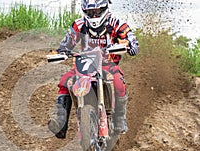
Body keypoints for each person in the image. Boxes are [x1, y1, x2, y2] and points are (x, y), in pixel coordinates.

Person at [48, 0, 139, 139]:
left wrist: (128, 44)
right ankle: (61, 124)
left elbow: (133, 42)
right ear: (85, 11)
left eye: (97, 12)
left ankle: (120, 118)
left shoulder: (117, 24)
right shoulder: (79, 25)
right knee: (65, 81)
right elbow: (66, 45)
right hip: (85, 65)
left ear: (104, 9)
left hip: (108, 65)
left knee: (119, 82)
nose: (94, 16)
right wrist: (60, 52)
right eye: (90, 12)